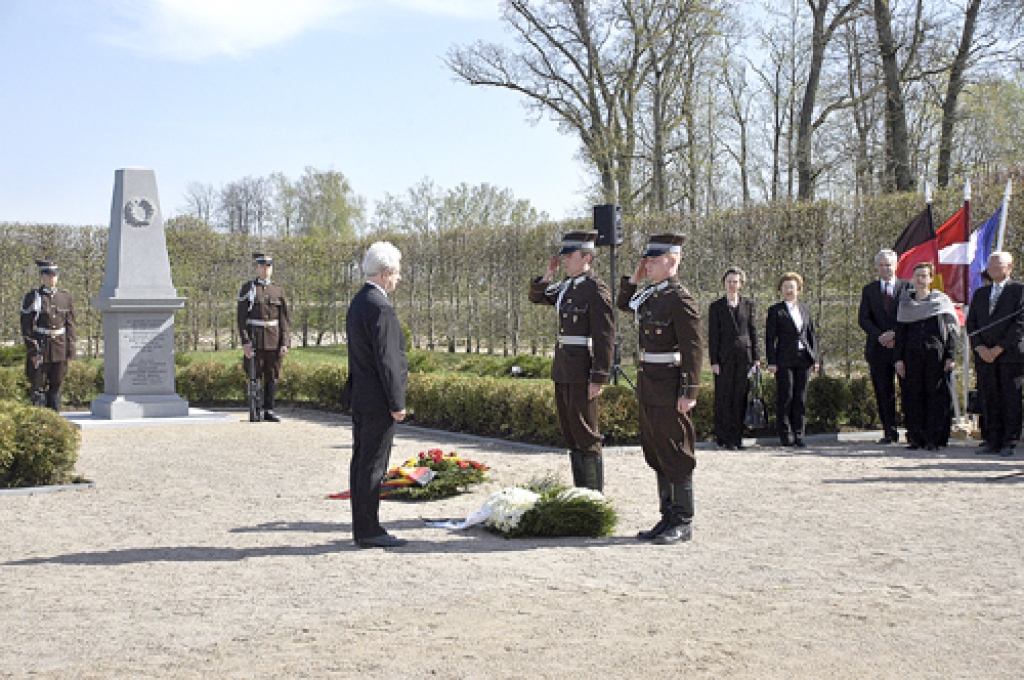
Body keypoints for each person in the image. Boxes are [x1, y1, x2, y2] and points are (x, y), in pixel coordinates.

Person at [616, 234, 702, 545]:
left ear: (672, 261)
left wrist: (689, 392)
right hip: (649, 382)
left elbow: (693, 350)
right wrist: (634, 279)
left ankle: (683, 519)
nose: (648, 265)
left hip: (669, 383)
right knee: (655, 449)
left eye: (653, 260)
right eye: (647, 260)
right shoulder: (651, 295)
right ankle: (667, 516)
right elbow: (624, 303)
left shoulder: (681, 299)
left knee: (676, 449)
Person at [528, 230, 615, 491]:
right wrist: (547, 276)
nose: (564, 259)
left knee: (586, 433)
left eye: (570, 255)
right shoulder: (567, 286)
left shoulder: (596, 289)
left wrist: (599, 376)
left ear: (587, 257)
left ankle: (593, 497)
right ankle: (581, 492)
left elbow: (605, 336)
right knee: (571, 433)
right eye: (563, 255)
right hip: (564, 368)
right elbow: (537, 296)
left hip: (583, 370)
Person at [346, 242, 409, 548]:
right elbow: (388, 360)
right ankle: (369, 529)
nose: (398, 279)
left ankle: (362, 526)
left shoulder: (360, 301)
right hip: (378, 400)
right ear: (385, 273)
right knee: (372, 465)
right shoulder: (380, 306)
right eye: (396, 273)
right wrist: (397, 402)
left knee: (361, 462)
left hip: (362, 396)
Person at [894, 262, 958, 451]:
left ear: (931, 278)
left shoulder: (941, 301)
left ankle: (934, 438)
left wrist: (950, 355)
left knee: (935, 396)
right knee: (913, 396)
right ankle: (915, 437)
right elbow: (900, 333)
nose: (920, 280)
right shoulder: (905, 303)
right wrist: (898, 359)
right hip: (911, 355)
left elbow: (951, 331)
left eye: (924, 276)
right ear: (912, 279)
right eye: (917, 276)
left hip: (935, 355)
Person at [965, 252, 1024, 457]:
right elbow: (971, 323)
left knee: (1010, 398)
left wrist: (998, 348)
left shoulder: (1019, 291)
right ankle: (992, 439)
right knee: (989, 397)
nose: (993, 267)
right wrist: (980, 348)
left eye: (998, 264)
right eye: (991, 264)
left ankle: (1009, 440)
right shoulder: (981, 293)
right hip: (984, 357)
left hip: (1009, 356)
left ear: (1009, 267)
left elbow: (1019, 324)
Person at [858, 249, 911, 444]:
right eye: (881, 265)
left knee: (907, 390)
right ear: (877, 268)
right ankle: (889, 431)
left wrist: (895, 334)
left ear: (895, 265)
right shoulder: (869, 290)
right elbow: (863, 319)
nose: (885, 268)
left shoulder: (908, 287)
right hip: (877, 349)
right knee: (883, 391)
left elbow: (911, 316)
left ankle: (912, 430)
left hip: (902, 348)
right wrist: (880, 335)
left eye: (888, 264)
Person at [707, 266, 759, 450]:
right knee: (723, 397)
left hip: (744, 357)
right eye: (729, 281)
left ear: (741, 284)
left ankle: (737, 438)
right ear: (724, 283)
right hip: (724, 358)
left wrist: (757, 358)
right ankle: (723, 436)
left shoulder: (749, 305)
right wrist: (714, 361)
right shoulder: (716, 307)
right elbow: (713, 336)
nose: (732, 284)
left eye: (735, 281)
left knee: (740, 398)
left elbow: (753, 332)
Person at [765, 272, 819, 447]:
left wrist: (815, 358)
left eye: (792, 287)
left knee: (800, 397)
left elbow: (811, 335)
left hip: (803, 357)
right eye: (785, 287)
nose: (789, 290)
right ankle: (785, 434)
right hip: (784, 359)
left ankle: (799, 433)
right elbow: (770, 338)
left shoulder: (804, 309)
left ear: (799, 290)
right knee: (786, 395)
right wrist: (772, 361)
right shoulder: (776, 310)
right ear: (781, 289)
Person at [237, 253, 290, 422]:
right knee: (256, 374)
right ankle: (257, 408)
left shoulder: (278, 290)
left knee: (272, 375)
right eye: (262, 266)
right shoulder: (249, 289)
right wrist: (245, 341)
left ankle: (269, 409)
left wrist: (285, 342)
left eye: (268, 266)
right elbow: (241, 318)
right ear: (256, 268)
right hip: (256, 339)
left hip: (274, 339)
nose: (265, 270)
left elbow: (284, 319)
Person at [20, 259, 76, 412]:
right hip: (41, 347)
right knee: (39, 385)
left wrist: (71, 348)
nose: (52, 278)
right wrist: (33, 349)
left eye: (54, 275)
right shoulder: (34, 297)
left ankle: (56, 418)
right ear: (42, 277)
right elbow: (26, 326)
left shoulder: (65, 297)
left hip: (60, 346)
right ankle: (40, 419)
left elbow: (70, 324)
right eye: (48, 275)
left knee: (57, 385)